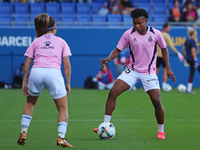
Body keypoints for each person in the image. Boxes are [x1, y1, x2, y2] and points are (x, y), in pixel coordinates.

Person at [93, 8, 176, 139]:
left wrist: (169, 68)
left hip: (149, 72)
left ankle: (161, 131)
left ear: (146, 21)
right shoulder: (128, 34)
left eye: (140, 23)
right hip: (132, 70)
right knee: (113, 92)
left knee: (157, 101)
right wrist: (109, 58)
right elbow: (118, 49)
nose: (137, 26)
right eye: (134, 23)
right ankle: (105, 124)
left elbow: (164, 49)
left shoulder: (156, 33)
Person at [17, 13, 73, 147]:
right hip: (53, 73)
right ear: (55, 27)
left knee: (30, 103)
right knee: (62, 108)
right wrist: (68, 83)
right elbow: (66, 64)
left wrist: (25, 82)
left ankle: (23, 133)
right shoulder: (61, 41)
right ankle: (61, 138)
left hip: (36, 71)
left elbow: (27, 62)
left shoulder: (36, 41)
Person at [156, 23, 184, 92]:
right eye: (169, 27)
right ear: (165, 28)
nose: (170, 29)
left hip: (156, 56)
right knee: (165, 71)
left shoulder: (158, 33)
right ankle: (164, 85)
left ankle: (153, 85)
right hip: (164, 56)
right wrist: (178, 53)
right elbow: (171, 46)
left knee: (155, 72)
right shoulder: (166, 35)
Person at [182, 27, 200, 94]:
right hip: (193, 60)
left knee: (192, 72)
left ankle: (189, 89)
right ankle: (189, 90)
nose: (196, 33)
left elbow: (183, 50)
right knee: (192, 73)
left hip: (189, 59)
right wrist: (195, 60)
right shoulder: (193, 41)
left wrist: (185, 56)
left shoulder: (187, 40)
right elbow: (193, 52)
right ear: (193, 33)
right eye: (196, 32)